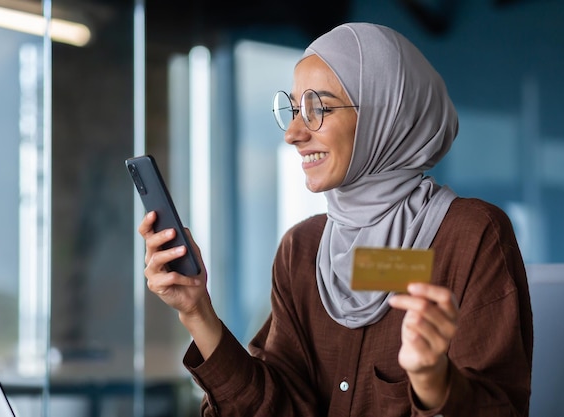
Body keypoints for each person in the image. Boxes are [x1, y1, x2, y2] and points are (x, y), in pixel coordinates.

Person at [139, 22, 533, 417]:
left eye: (318, 108)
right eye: (294, 109)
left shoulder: (470, 236)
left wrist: (434, 382)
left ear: (384, 113)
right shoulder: (303, 250)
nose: (293, 133)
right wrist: (196, 310)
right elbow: (276, 408)